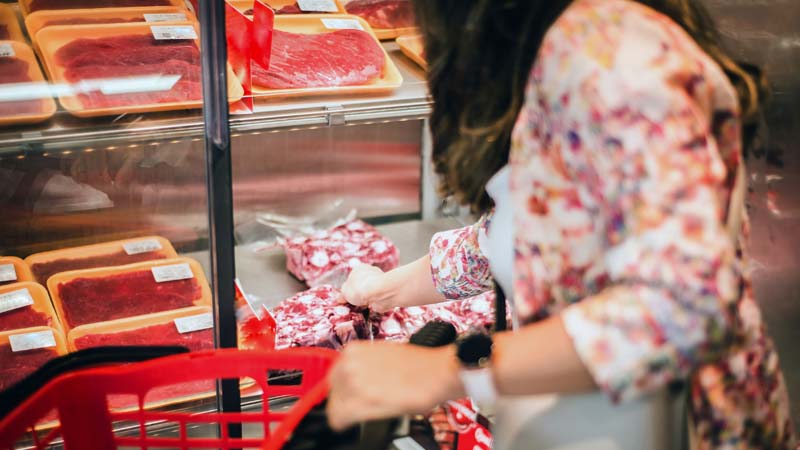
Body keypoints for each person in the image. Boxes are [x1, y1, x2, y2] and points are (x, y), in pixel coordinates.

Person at [325, 0, 795, 449]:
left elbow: (686, 306)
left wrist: (451, 371)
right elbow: (541, 233)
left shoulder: (612, 58)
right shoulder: (565, 45)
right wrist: (386, 290)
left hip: (677, 427)